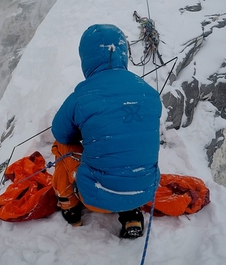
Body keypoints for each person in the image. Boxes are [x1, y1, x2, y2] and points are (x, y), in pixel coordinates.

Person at [51, 24, 162, 239]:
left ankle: (69, 207)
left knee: (61, 146)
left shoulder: (83, 94)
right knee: (131, 147)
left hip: (95, 197)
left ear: (87, 57)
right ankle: (131, 214)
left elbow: (60, 133)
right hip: (145, 191)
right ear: (123, 53)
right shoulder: (149, 92)